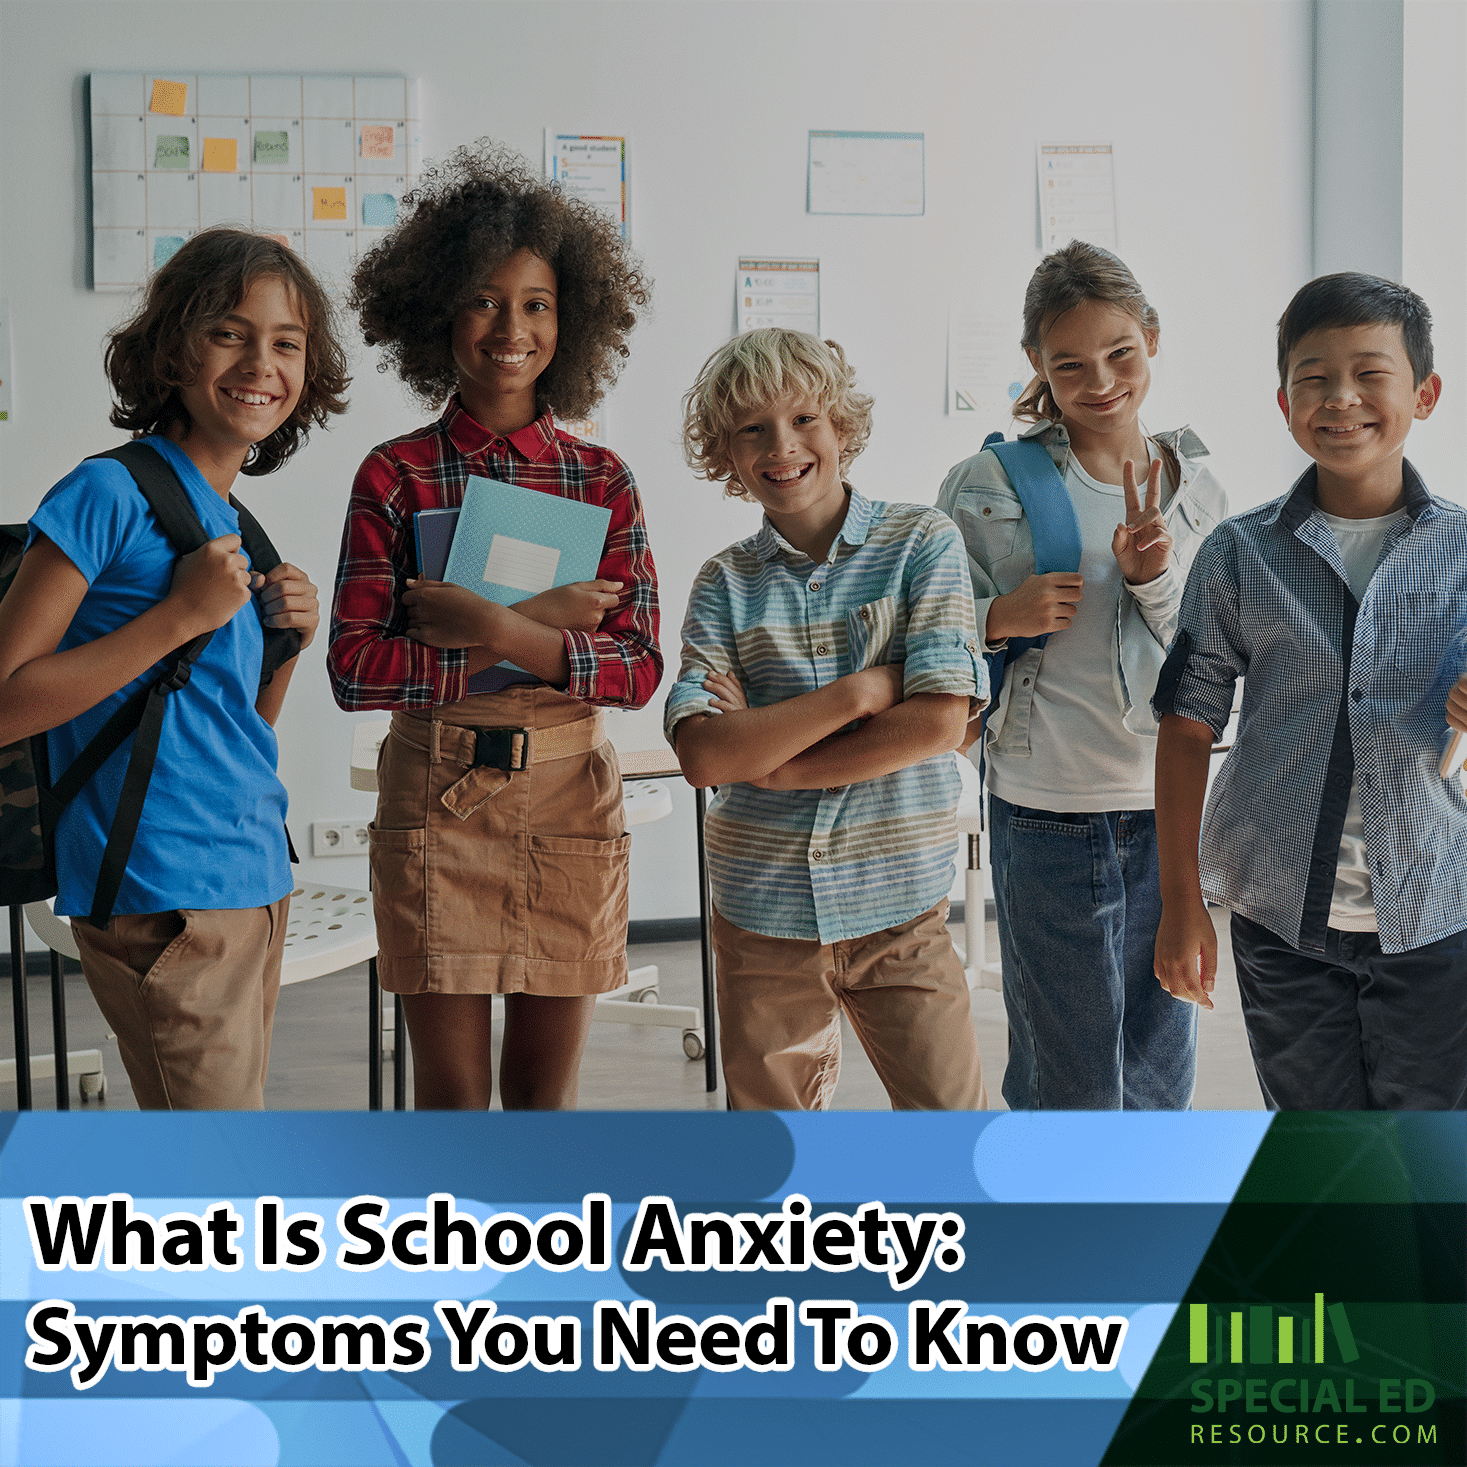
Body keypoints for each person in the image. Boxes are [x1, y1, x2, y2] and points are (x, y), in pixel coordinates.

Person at [328, 141, 659, 1112]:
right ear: (438, 312)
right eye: (483, 298)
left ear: (572, 317)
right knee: (453, 1105)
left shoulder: (603, 481)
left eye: (536, 303)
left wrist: (492, 627)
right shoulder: (395, 476)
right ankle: (455, 1264)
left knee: (543, 1109)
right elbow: (354, 668)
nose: (509, 327)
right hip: (439, 802)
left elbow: (637, 672)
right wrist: (547, 625)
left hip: (568, 801)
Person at [0, 228, 347, 1109]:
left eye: (286, 342)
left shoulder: (232, 518)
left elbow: (228, 726)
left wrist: (286, 648)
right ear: (172, 347)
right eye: (229, 332)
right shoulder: (107, 493)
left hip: (251, 875)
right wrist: (180, 616)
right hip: (163, 890)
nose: (259, 361)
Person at [1153, 272, 1467, 1110]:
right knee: (1320, 1157)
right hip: (1278, 917)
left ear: (1424, 393)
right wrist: (1182, 906)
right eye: (1312, 377)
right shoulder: (1237, 554)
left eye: (1370, 373)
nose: (1341, 398)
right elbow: (1185, 727)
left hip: (1440, 911)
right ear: (1284, 400)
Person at [937, 241, 1227, 1110]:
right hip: (1043, 809)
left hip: (1162, 809)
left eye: (1119, 355)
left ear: (1151, 338)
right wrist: (999, 615)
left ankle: (1141, 1236)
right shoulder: (987, 483)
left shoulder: (1196, 489)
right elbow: (924, 637)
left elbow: (1207, 660)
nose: (1099, 380)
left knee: (1158, 1060)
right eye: (1069, 364)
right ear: (1036, 365)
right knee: (1067, 1071)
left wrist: (1152, 578)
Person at [667, 328, 987, 1111]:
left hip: (899, 909)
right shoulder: (722, 585)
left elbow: (939, 722)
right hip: (760, 912)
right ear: (728, 456)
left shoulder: (921, 543)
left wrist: (775, 759)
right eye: (752, 429)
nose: (782, 446)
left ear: (841, 427)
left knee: (953, 1133)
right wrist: (861, 693)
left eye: (804, 418)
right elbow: (707, 756)